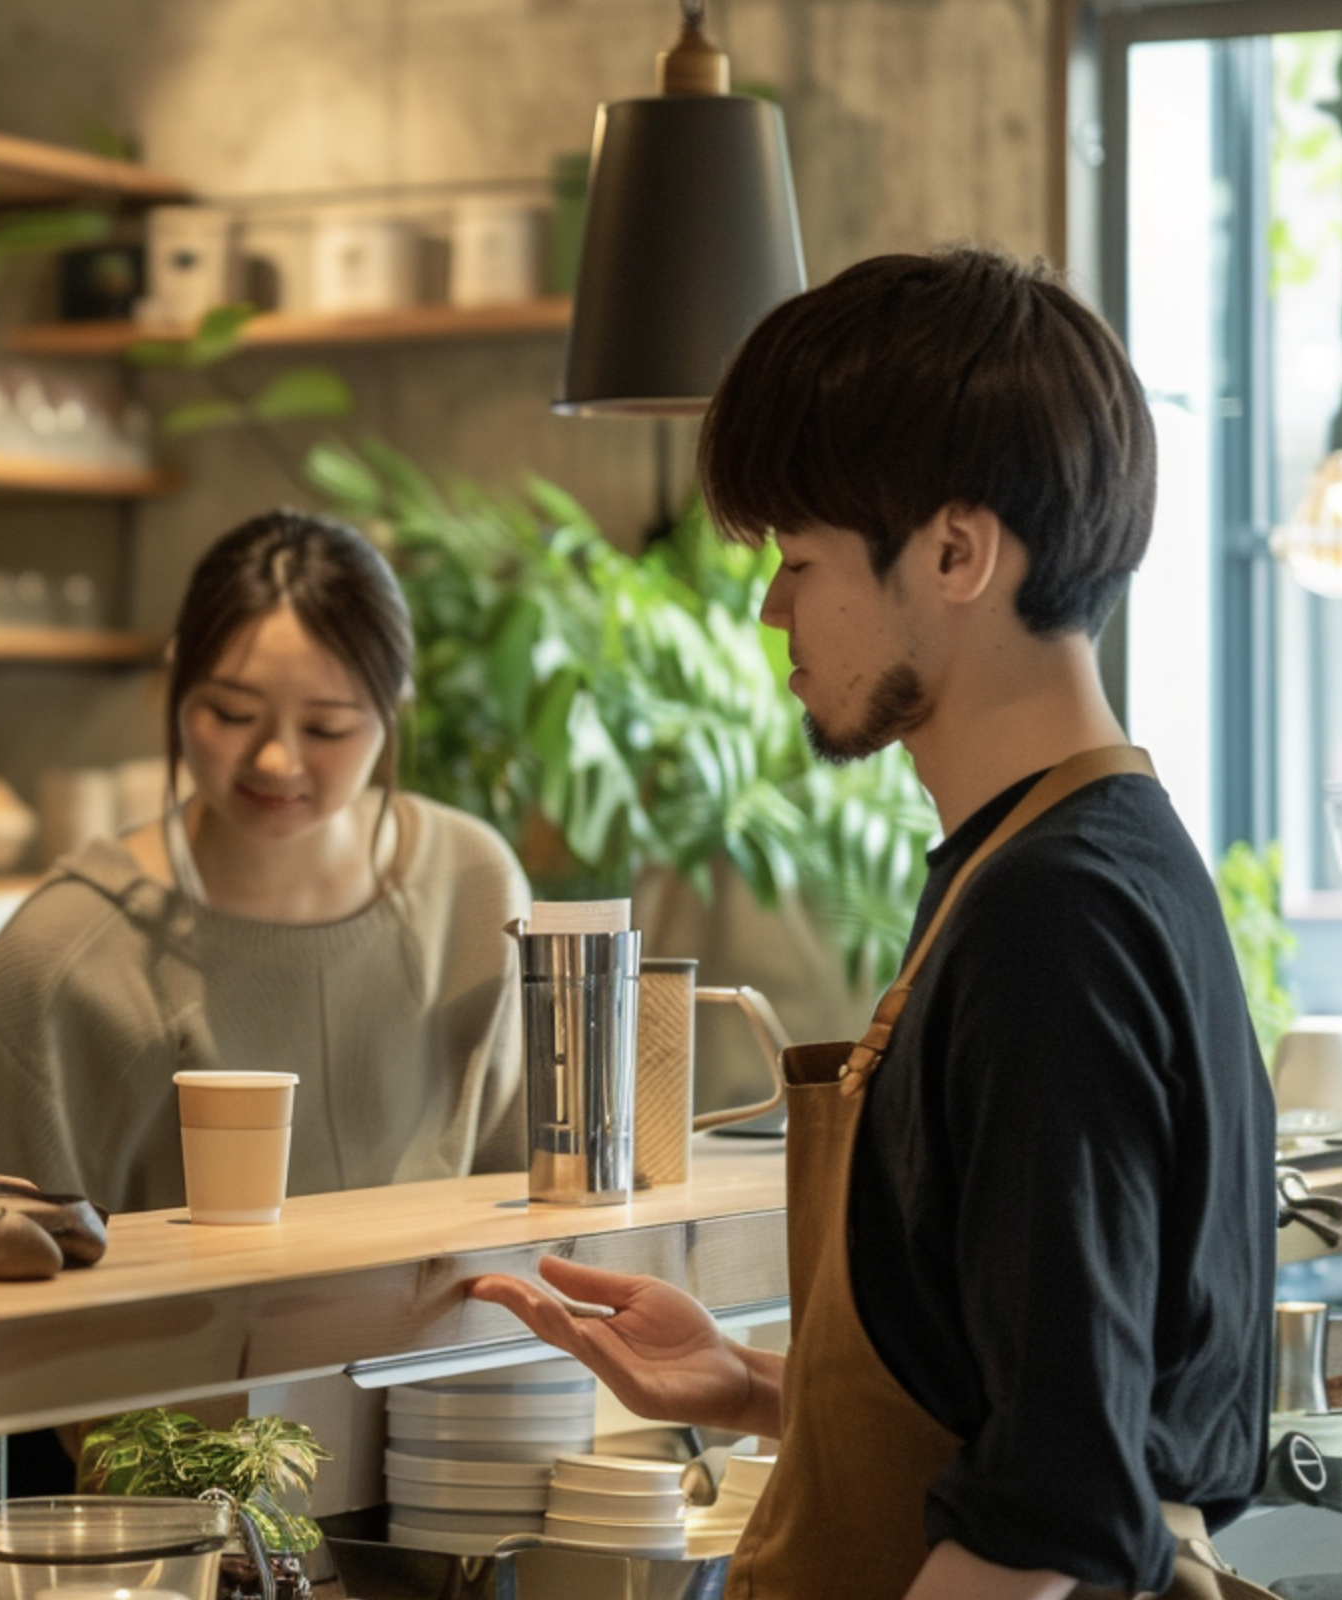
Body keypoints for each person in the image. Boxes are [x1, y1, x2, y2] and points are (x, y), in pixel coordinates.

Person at [469, 248, 1274, 1599]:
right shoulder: (1067, 861)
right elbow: (1029, 1394)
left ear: (956, 552)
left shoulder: (1053, 917)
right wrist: (750, 1386)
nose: (773, 607)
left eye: (800, 557)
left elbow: (1057, 1505)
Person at [0, 509, 531, 1214]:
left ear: (395, 703)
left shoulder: (474, 890)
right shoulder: (61, 955)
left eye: (327, 727)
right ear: (175, 682)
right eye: (231, 715)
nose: (277, 760)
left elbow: (531, 1204)